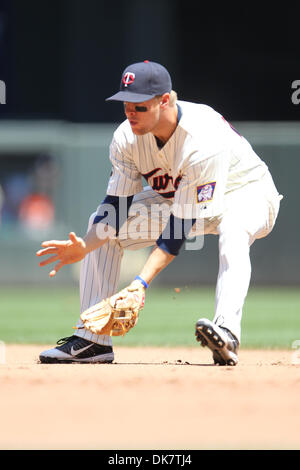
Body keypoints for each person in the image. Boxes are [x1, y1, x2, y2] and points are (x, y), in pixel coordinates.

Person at [37, 60, 282, 366]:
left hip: (245, 191)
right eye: (126, 103)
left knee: (234, 232)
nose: (130, 112)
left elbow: (177, 231)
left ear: (165, 100)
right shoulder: (127, 137)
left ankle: (227, 332)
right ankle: (92, 340)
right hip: (180, 195)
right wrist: (85, 246)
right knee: (98, 228)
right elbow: (116, 208)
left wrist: (140, 283)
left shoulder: (202, 140)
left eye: (139, 106)